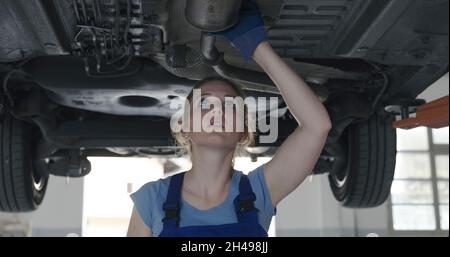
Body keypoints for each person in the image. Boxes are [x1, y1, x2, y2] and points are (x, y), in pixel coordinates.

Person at [127, 1, 332, 237]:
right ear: (183, 127)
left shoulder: (259, 191)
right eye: (204, 103)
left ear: (244, 131)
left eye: (230, 106)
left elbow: (317, 125)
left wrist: (257, 47)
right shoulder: (152, 199)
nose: (218, 112)